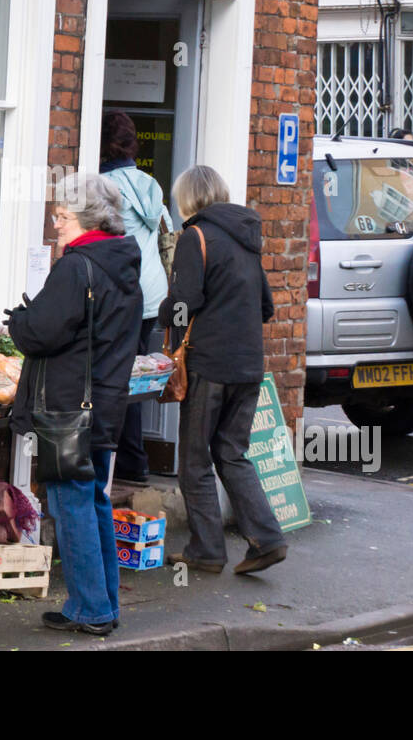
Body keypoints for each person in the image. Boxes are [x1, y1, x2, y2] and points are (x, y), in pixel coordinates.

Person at [7, 173, 142, 635]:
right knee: (94, 500)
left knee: (71, 506)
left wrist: (19, 321)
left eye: (62, 217)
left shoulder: (76, 266)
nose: (56, 224)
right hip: (105, 403)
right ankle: (100, 603)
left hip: (67, 407)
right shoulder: (122, 263)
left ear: (86, 218)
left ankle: (92, 609)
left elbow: (41, 332)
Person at [157, 165, 286, 576]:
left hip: (209, 366)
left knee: (194, 461)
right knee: (231, 453)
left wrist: (161, 313)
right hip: (249, 366)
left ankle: (207, 550)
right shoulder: (247, 237)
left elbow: (184, 303)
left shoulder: (195, 237)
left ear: (188, 199)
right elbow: (266, 306)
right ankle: (267, 538)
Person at [99, 110, 172, 484]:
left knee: (117, 380)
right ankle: (135, 461)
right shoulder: (151, 184)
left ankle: (128, 463)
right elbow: (167, 232)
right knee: (134, 379)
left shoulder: (103, 186)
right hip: (152, 291)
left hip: (124, 291)